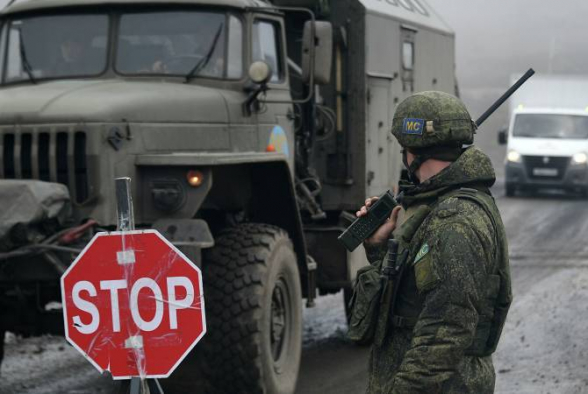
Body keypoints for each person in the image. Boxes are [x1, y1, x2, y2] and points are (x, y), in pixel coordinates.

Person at [355, 91, 512, 393]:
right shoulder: (440, 204)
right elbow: (413, 297)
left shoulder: (455, 219)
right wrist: (378, 247)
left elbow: (446, 332)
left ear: (411, 151)